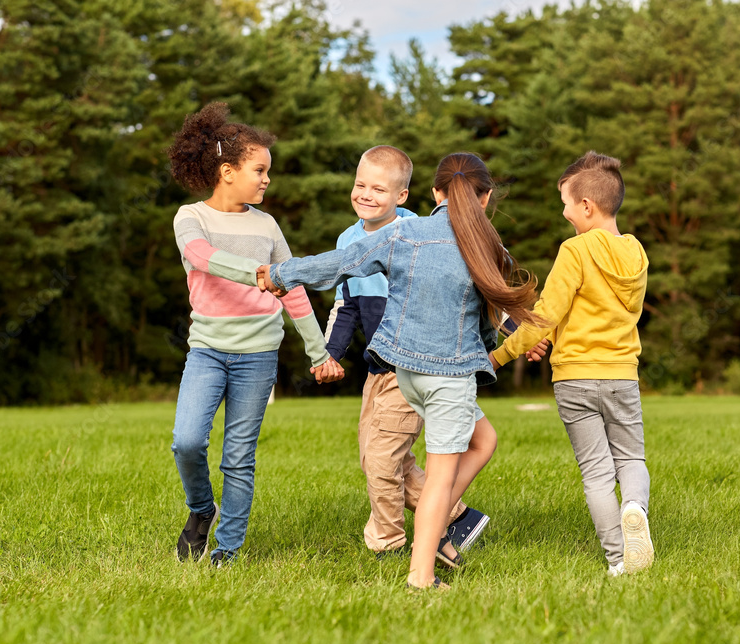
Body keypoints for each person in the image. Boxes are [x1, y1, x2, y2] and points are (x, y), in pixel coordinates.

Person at [258, 152, 545, 589]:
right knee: (439, 477)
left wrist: (281, 272)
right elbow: (497, 304)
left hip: (403, 369)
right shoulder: (488, 244)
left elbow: (338, 265)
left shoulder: (404, 232)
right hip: (445, 374)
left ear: (434, 192)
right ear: (484, 198)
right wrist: (523, 334)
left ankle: (444, 515)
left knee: (484, 439)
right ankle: (421, 573)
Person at [166, 102, 343, 567]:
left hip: (258, 355)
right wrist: (259, 273)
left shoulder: (267, 225)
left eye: (269, 171)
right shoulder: (191, 217)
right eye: (259, 170)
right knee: (186, 441)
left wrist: (318, 351)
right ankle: (202, 511)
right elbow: (202, 257)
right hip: (207, 350)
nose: (267, 179)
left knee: (238, 458)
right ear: (227, 171)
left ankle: (227, 547)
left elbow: (293, 290)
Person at [488, 151, 653, 576]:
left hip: (576, 378)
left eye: (565, 203)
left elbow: (546, 315)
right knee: (631, 458)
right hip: (621, 375)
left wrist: (499, 354)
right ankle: (635, 508)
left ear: (586, 206)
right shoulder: (636, 253)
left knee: (597, 473)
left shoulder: (575, 250)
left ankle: (618, 559)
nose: (563, 212)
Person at [323, 146, 490, 564]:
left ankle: (390, 543)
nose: (365, 194)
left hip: (411, 362)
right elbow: (347, 306)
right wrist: (330, 354)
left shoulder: (419, 233)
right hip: (377, 365)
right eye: (359, 184)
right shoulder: (349, 239)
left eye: (378, 188)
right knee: (376, 460)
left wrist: (509, 329)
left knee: (382, 460)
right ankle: (455, 520)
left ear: (403, 196)